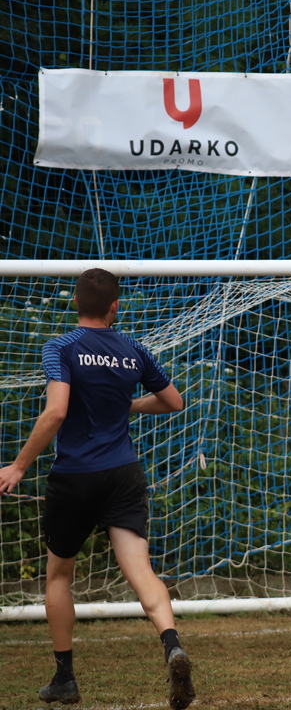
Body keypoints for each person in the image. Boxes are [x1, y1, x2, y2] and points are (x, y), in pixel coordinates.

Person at [0, 268, 196, 709]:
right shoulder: (134, 349)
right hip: (123, 473)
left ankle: (64, 678)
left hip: (75, 476)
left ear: (75, 302)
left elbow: (56, 411)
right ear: (115, 306)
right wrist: (131, 405)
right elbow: (174, 401)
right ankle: (172, 645)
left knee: (59, 575)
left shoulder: (61, 347)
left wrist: (18, 466)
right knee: (141, 571)